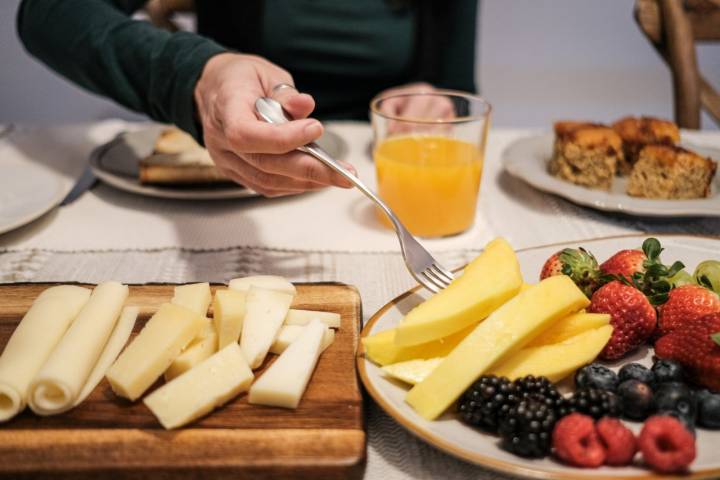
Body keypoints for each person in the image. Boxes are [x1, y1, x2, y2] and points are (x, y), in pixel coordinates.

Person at [17, 0, 477, 197]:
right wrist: (196, 75)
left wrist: (432, 101)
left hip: (369, 178)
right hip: (228, 174)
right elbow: (49, 12)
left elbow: (456, 92)